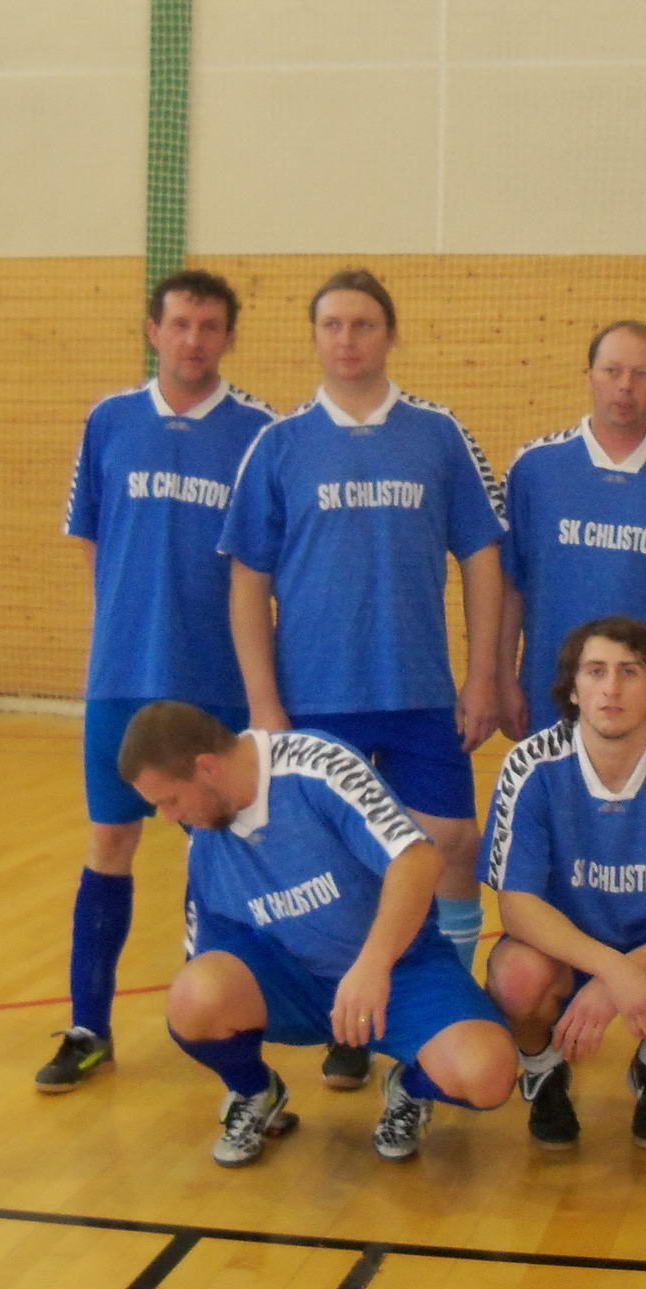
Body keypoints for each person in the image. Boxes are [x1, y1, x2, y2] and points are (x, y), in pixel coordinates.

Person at [219, 268, 505, 1087]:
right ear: (315, 336)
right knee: (341, 866)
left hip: (419, 692)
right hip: (314, 701)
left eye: (364, 324)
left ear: (390, 334)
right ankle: (352, 1019)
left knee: (447, 848)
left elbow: (482, 558)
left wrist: (482, 675)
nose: (347, 340)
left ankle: (439, 1012)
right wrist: (264, 703)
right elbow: (247, 583)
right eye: (333, 325)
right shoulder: (279, 444)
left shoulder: (439, 434)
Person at [40, 269, 275, 1093]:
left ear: (229, 337)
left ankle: (223, 1024)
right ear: (153, 330)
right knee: (109, 841)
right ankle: (87, 1026)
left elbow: (265, 564)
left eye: (209, 326)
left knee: (222, 849)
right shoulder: (109, 420)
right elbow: (92, 540)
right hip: (121, 677)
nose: (193, 340)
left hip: (216, 681)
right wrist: (123, 629)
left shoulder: (260, 432)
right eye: (179, 324)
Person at [119, 701, 515, 1167]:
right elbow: (203, 965)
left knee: (488, 1074)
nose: (167, 818)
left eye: (169, 801)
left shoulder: (317, 765)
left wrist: (373, 965)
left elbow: (417, 861)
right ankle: (255, 1092)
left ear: (207, 768)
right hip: (295, 982)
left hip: (399, 971)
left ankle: (410, 1087)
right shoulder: (205, 842)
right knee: (193, 996)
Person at [481, 617, 646, 1149]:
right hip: (565, 951)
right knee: (515, 978)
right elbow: (517, 907)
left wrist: (626, 974)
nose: (611, 688)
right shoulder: (530, 765)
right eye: (595, 671)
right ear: (573, 689)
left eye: (630, 672)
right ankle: (542, 1069)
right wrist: (610, 970)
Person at [498, 321, 646, 739]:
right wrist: (503, 679)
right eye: (612, 371)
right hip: (549, 703)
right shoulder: (534, 467)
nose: (626, 386)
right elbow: (509, 588)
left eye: (642, 375)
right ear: (589, 375)